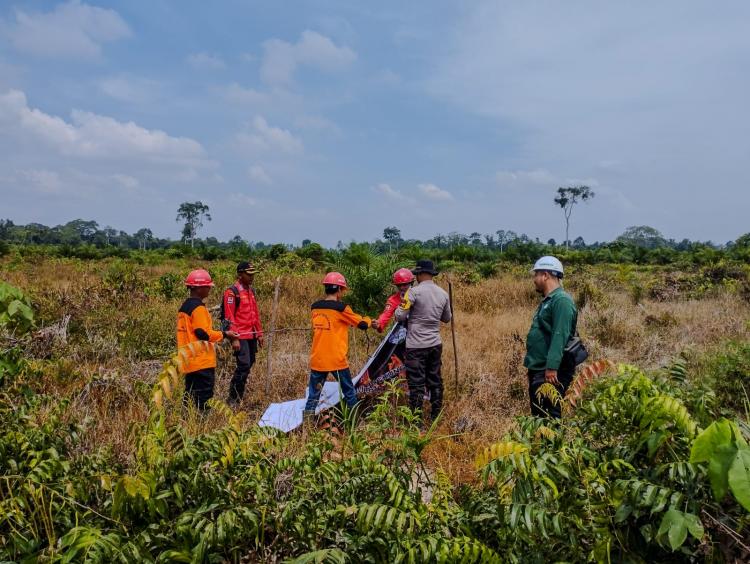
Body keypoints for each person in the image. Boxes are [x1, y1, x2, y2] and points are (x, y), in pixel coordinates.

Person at [303, 272, 375, 419]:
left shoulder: (315, 307)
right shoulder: (341, 308)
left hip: (318, 359)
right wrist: (369, 320)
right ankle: (354, 422)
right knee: (349, 392)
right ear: (340, 290)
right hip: (337, 360)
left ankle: (308, 426)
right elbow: (361, 324)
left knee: (313, 395)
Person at [394, 259, 451, 424]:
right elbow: (447, 318)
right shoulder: (443, 294)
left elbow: (400, 316)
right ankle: (435, 417)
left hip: (416, 346)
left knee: (416, 383)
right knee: (435, 380)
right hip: (435, 344)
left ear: (419, 274)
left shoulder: (412, 293)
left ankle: (416, 421)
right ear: (431, 274)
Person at [523, 256, 578, 419]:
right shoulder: (549, 300)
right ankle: (542, 445)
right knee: (539, 414)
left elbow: (560, 335)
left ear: (545, 275)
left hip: (550, 371)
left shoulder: (561, 301)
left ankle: (550, 445)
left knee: (550, 415)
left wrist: (552, 367)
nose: (534, 280)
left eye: (536, 275)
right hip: (540, 368)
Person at [176, 269, 239, 411]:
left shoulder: (185, 307)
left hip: (188, 360)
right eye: (208, 286)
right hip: (201, 361)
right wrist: (225, 334)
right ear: (199, 288)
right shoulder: (198, 308)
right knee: (204, 398)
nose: (209, 289)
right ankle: (201, 426)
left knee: (190, 395)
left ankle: (188, 423)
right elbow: (203, 333)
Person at [222, 261, 264, 407]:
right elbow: (229, 317)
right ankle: (233, 398)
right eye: (249, 274)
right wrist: (234, 338)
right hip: (240, 336)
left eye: (253, 274)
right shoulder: (232, 292)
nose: (252, 277)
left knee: (250, 362)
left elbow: (255, 314)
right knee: (244, 365)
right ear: (240, 274)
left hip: (251, 334)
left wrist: (259, 334)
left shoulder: (251, 291)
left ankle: (238, 395)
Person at [374, 268, 415, 332]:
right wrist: (378, 323)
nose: (402, 287)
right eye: (399, 285)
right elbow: (386, 314)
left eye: (404, 284)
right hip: (403, 331)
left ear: (411, 283)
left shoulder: (419, 294)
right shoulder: (393, 299)